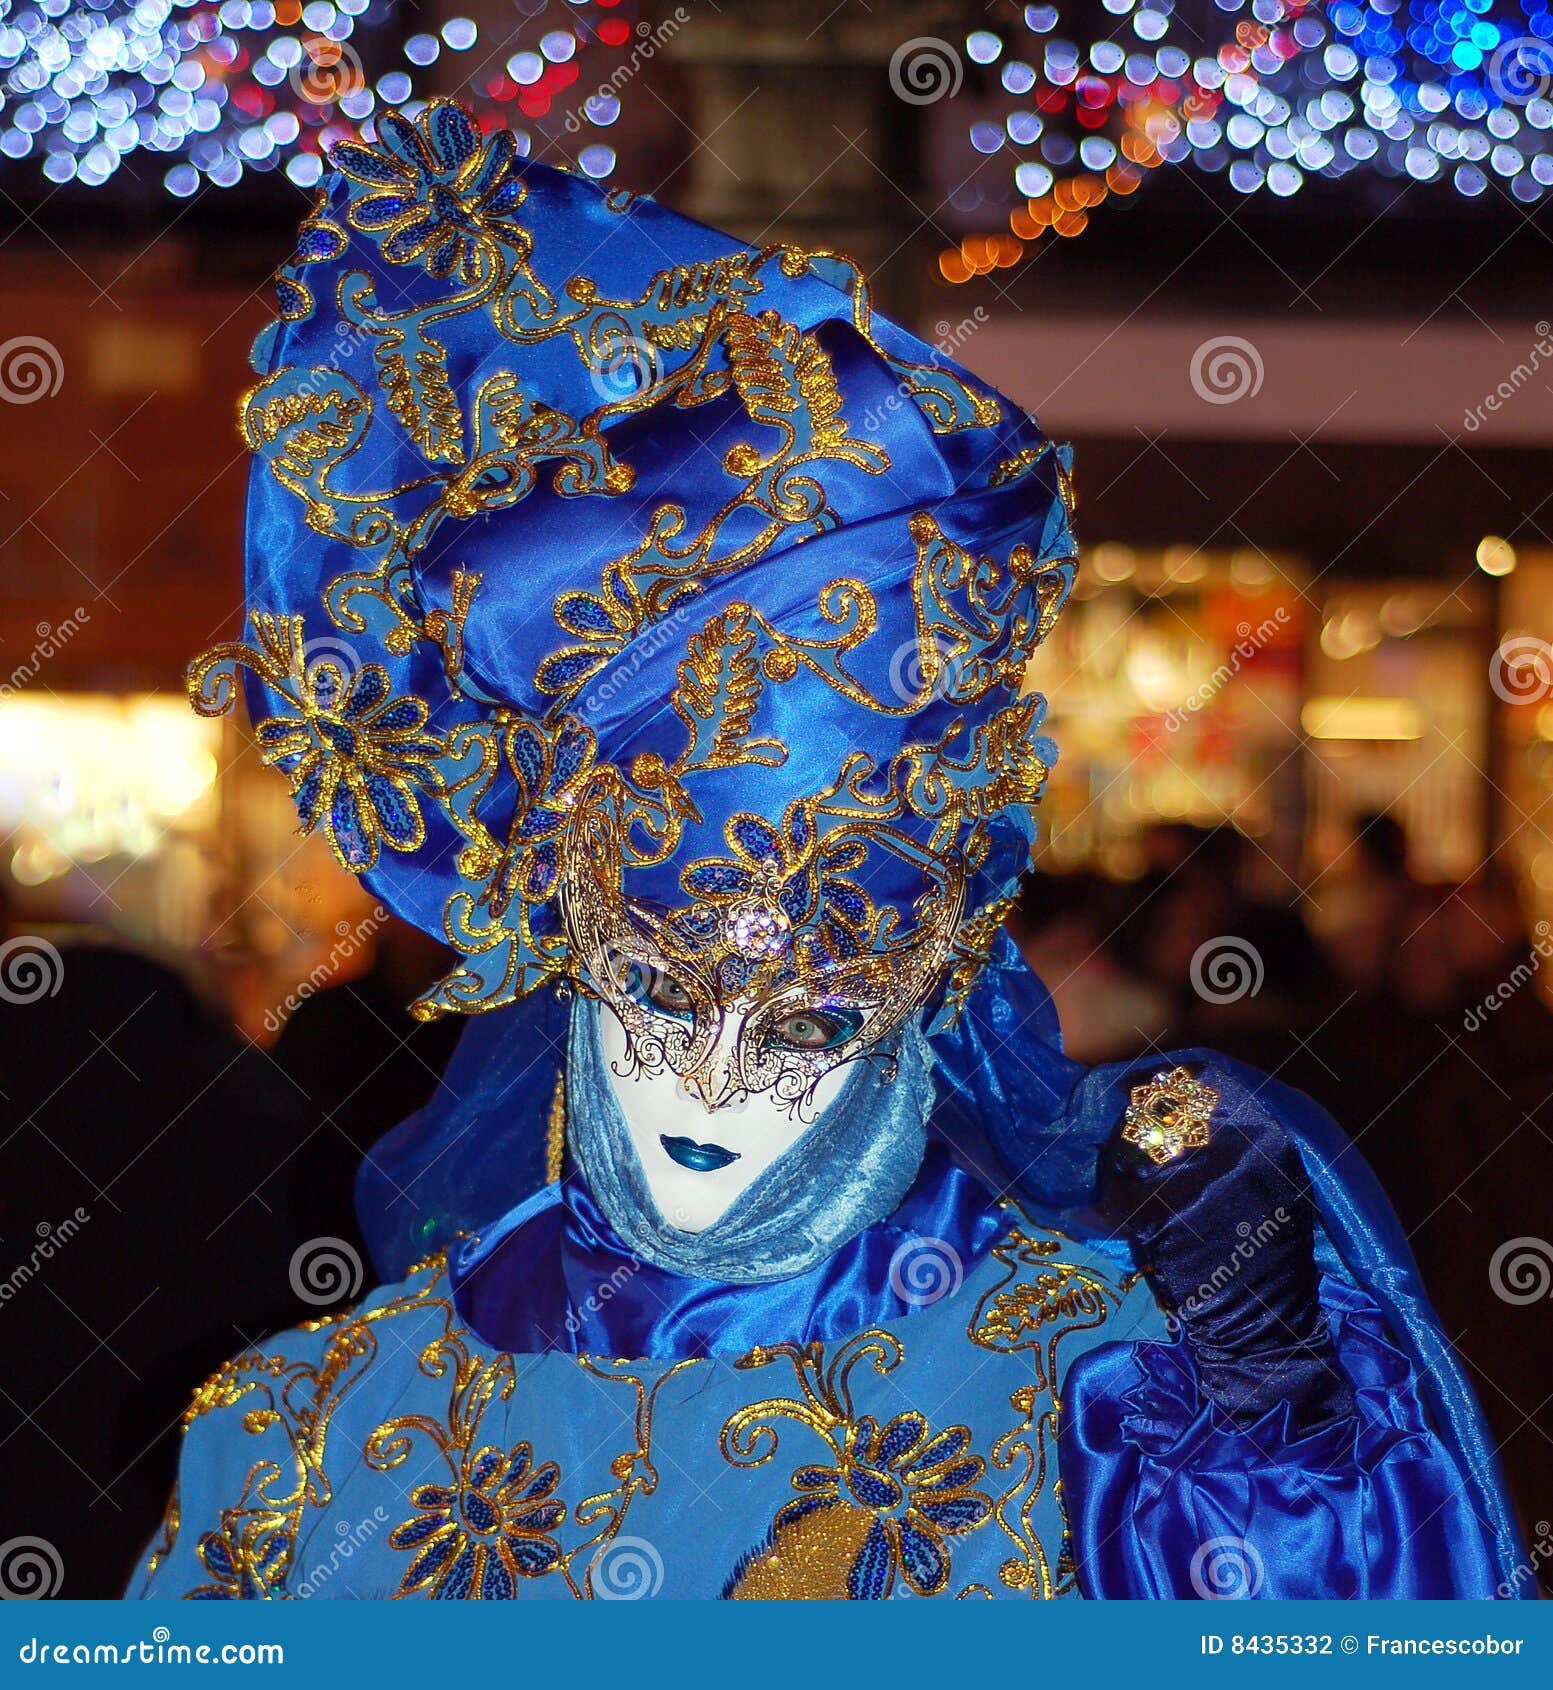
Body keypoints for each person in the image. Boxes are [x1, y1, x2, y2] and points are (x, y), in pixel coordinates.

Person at [128, 101, 1523, 1601]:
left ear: (920, 979)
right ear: (564, 935)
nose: (716, 1079)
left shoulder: (1103, 1392)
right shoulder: (310, 1436)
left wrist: (1282, 1446)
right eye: (665, 983)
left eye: (806, 1011)